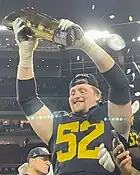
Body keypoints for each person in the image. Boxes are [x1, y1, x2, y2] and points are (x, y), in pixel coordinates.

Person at [12, 18, 132, 175]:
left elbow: (120, 85)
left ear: (98, 95)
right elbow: (27, 100)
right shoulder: (57, 123)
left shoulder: (111, 118)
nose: (76, 95)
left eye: (83, 90)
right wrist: (25, 53)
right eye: (72, 92)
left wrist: (86, 44)